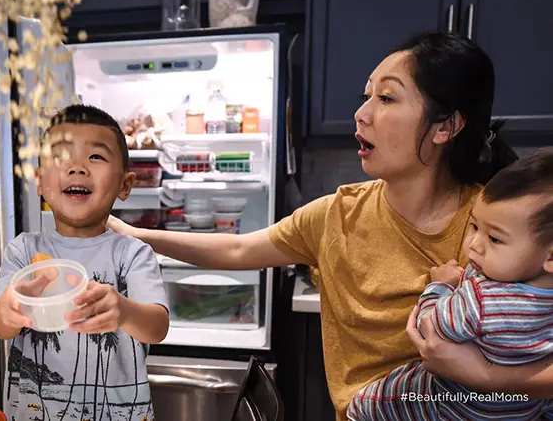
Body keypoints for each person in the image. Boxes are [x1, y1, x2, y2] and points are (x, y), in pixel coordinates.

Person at [107, 31, 525, 420]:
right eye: (367, 96)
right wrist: (135, 235)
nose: (361, 114)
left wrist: (487, 380)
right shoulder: (336, 215)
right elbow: (237, 250)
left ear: (446, 126)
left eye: (387, 99)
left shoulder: (493, 223)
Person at [0, 104, 170, 421]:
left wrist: (124, 311)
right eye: (61, 157)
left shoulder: (132, 254)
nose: (77, 168)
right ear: (40, 182)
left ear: (125, 185)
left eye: (95, 157)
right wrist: (10, 308)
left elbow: (156, 327)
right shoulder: (24, 250)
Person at [347, 148, 553, 421]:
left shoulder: (481, 300)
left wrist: (440, 287)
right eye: (475, 227)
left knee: (372, 402)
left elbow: (430, 328)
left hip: (444, 406)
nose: (473, 245)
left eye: (496, 239)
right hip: (515, 412)